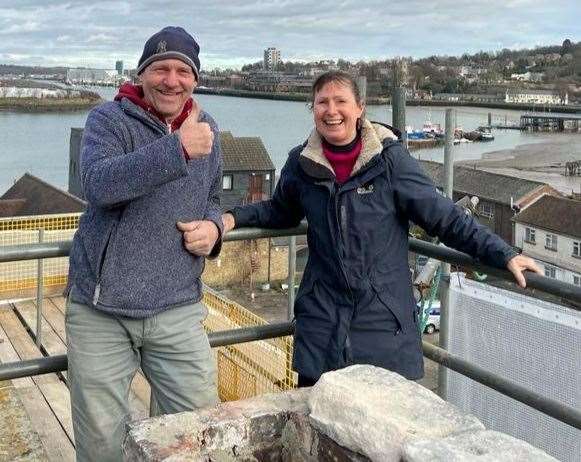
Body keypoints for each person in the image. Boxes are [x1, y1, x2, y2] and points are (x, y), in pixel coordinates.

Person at [222, 71, 541, 388]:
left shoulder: (390, 162)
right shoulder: (301, 164)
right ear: (313, 109)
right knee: (317, 427)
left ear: (360, 108)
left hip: (382, 328)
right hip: (321, 326)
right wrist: (233, 217)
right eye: (322, 102)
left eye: (341, 101)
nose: (331, 111)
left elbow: (444, 216)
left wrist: (504, 254)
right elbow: (280, 210)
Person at [65, 26, 222, 461]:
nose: (171, 80)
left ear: (195, 79)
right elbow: (98, 184)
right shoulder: (107, 119)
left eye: (182, 71)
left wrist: (213, 229)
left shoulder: (207, 129)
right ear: (141, 75)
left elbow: (212, 197)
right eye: (160, 69)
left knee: (197, 431)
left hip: (177, 307)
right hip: (102, 311)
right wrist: (177, 150)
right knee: (101, 443)